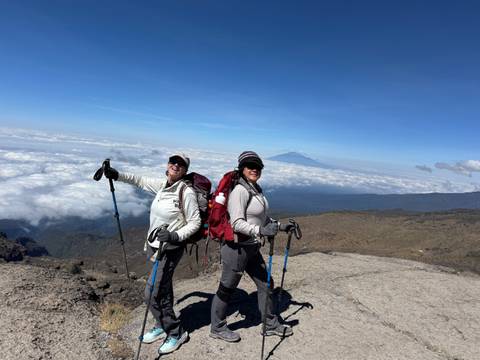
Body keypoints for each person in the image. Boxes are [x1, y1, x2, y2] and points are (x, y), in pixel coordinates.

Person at [104, 153, 200, 355]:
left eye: (180, 164)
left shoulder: (186, 192)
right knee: (162, 288)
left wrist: (174, 235)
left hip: (170, 249)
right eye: (173, 161)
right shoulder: (163, 185)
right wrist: (116, 175)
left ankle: (176, 332)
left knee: (152, 293)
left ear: (185, 171)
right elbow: (138, 180)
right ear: (168, 165)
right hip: (156, 246)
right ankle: (161, 323)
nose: (175, 165)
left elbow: (195, 223)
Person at [210, 151, 293, 342]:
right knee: (227, 288)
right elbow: (236, 223)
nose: (254, 169)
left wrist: (279, 226)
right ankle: (218, 327)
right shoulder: (240, 191)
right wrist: (261, 231)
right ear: (242, 169)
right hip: (236, 249)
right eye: (249, 166)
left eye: (257, 166)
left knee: (266, 284)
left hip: (251, 247)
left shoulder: (256, 189)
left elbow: (261, 218)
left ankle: (270, 324)